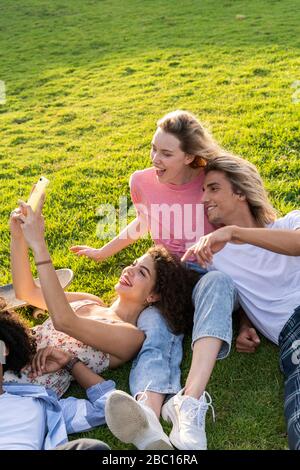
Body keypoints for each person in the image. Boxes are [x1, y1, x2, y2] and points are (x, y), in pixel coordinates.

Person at [71, 111, 238, 450]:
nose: (154, 159)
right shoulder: (142, 181)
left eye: (166, 153)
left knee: (218, 282)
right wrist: (104, 251)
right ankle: (147, 416)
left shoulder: (211, 180)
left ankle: (188, 405)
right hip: (163, 280)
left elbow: (242, 226)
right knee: (155, 329)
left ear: (190, 156)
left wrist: (246, 318)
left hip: (204, 273)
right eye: (153, 149)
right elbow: (144, 222)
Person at [8, 198, 197, 398]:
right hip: (12, 349)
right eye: (133, 263)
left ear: (153, 295)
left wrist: (39, 244)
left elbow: (65, 321)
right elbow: (26, 292)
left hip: (20, 386)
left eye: (142, 273)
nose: (130, 270)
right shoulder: (90, 300)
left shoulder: (131, 337)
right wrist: (18, 235)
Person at [181, 155, 300, 450]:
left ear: (241, 192)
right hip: (293, 335)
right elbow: (236, 291)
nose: (204, 198)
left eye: (213, 188)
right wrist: (246, 321)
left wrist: (234, 233)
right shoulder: (211, 256)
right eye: (203, 191)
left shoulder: (291, 222)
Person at [0, 307, 111, 450]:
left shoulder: (39, 402)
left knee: (92, 448)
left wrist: (69, 362)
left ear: (4, 349)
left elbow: (108, 407)